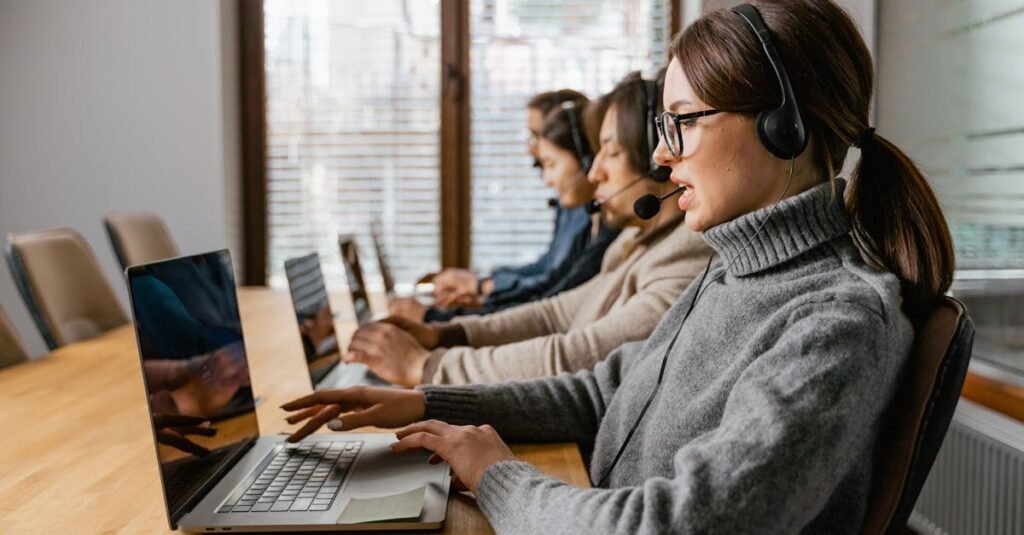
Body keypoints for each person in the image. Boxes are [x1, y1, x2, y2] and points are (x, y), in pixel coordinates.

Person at [282, 1, 957, 532]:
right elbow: (603, 390)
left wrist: (497, 477)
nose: (661, 156)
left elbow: (679, 524)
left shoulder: (838, 322)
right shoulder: (731, 271)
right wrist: (430, 403)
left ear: (785, 126)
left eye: (682, 121)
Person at [345, 72, 712, 386]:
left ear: (656, 163)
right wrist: (444, 333)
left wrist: (425, 366)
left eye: (611, 152)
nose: (594, 172)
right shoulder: (637, 240)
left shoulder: (685, 255)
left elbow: (579, 354)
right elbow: (554, 314)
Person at [396, 99, 621, 324]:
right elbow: (550, 286)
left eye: (550, 163)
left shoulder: (605, 229)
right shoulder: (587, 219)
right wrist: (482, 298)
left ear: (585, 158)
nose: (532, 148)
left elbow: (550, 302)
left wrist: (444, 317)